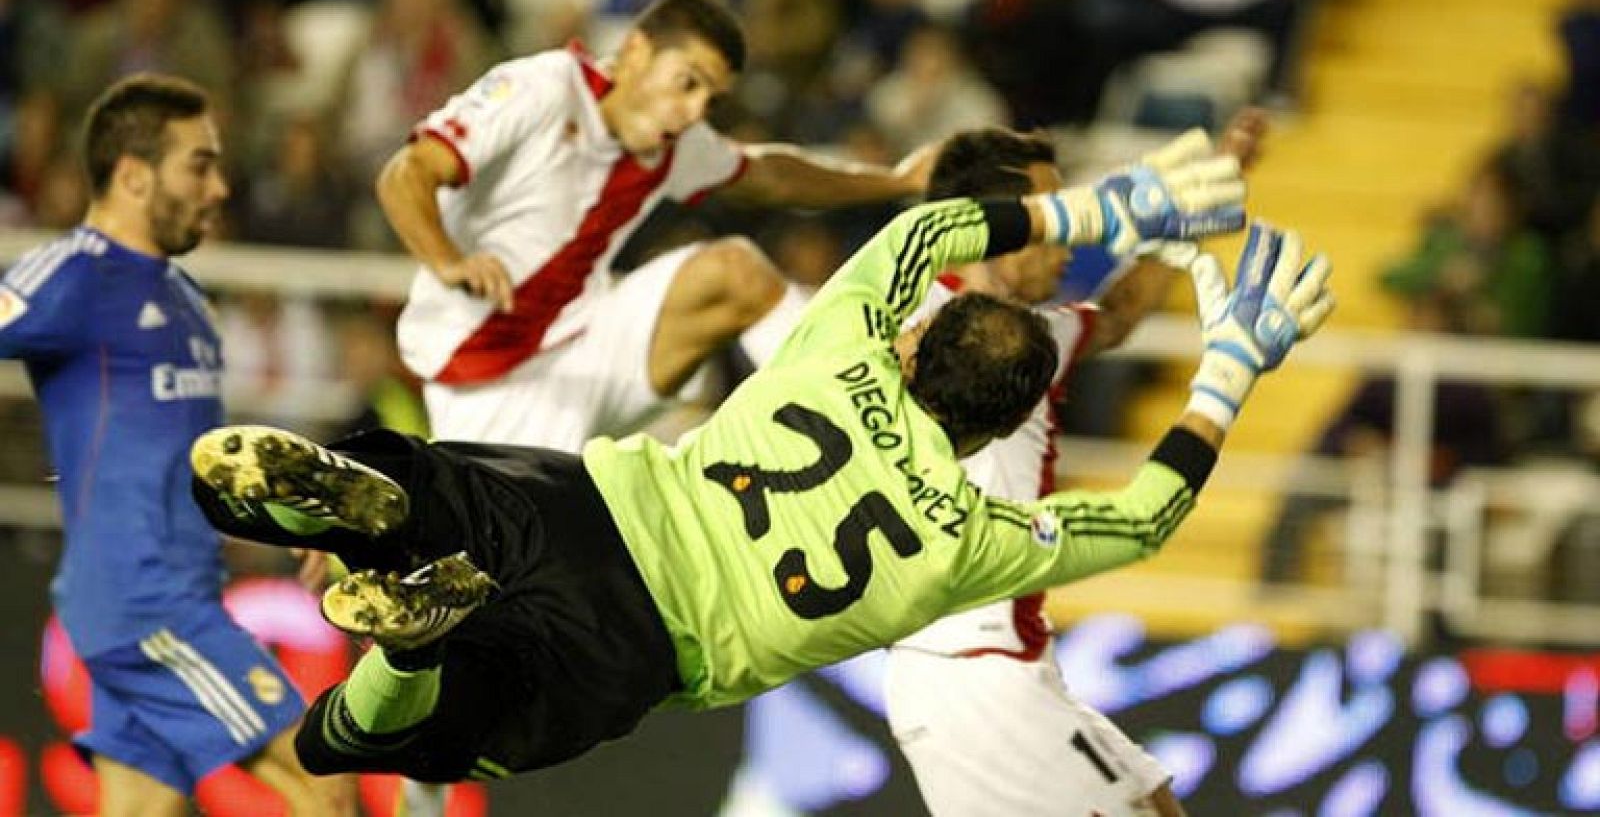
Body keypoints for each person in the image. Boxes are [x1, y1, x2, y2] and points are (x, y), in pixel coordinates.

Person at [188, 150, 1332, 786]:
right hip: (640, 643)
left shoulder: (838, 349)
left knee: (423, 479)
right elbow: (1140, 522)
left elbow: (920, 237)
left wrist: (1100, 204)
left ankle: (378, 508)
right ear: (998, 433)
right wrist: (1227, 371)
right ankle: (407, 637)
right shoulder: (965, 538)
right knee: (363, 738)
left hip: (589, 503)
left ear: (919, 339)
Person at [882, 115, 1266, 817]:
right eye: (1049, 218)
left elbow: (1116, 314)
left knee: (1156, 804)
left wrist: (1199, 204)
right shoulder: (912, 323)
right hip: (966, 666)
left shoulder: (1026, 331)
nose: (1068, 241)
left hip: (1008, 661)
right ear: (993, 226)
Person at [380, 0, 937, 453]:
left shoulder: (675, 143)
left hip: (586, 343)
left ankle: (855, 416)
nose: (695, 111)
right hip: (485, 377)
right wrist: (449, 260)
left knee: (735, 270)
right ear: (636, 52)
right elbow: (407, 173)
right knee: (508, 573)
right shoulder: (543, 88)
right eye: (688, 82)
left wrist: (899, 181)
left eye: (711, 100)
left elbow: (771, 175)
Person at [0, 74, 343, 815]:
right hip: (142, 605)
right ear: (132, 174)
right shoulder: (73, 275)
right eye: (199, 163)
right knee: (321, 777)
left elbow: (204, 459)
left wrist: (294, 521)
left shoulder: (186, 299)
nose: (219, 186)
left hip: (178, 594)